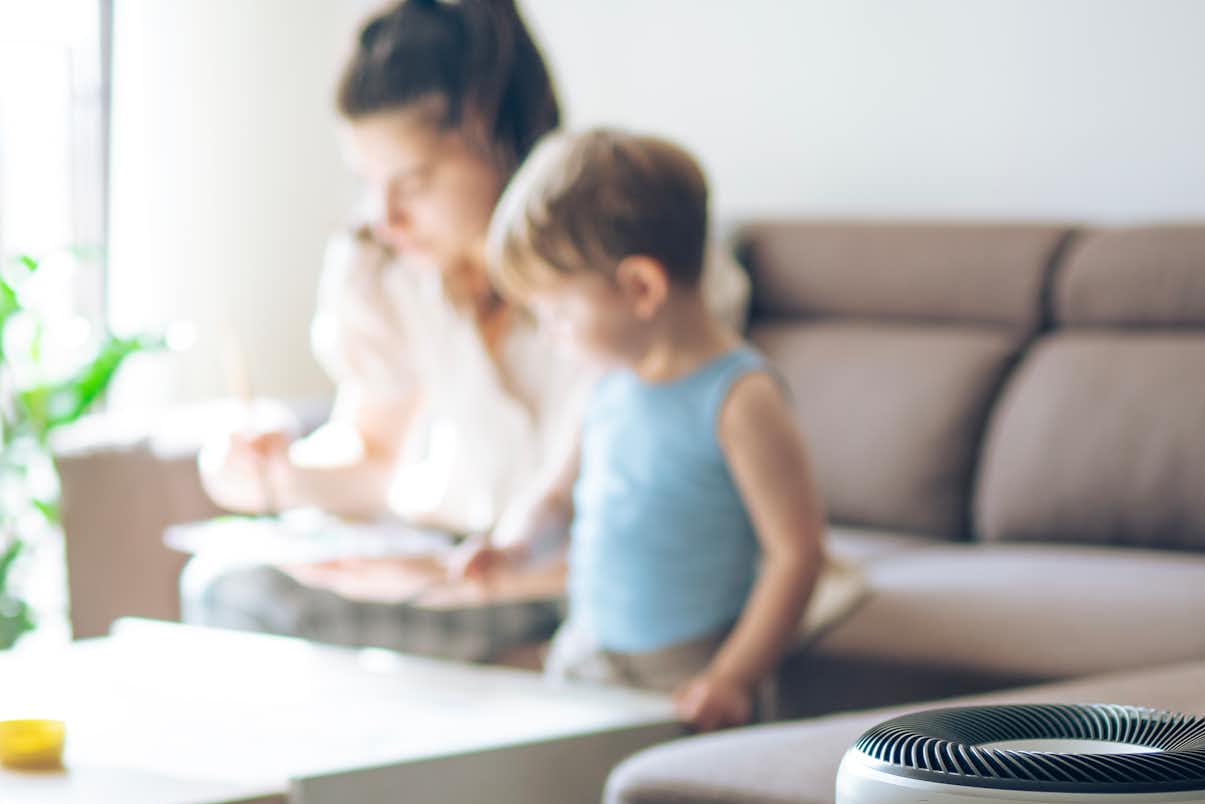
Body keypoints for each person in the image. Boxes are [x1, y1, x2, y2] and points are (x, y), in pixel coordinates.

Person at [186, 0, 746, 663]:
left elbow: (601, 496)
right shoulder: (382, 271)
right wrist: (273, 475)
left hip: (559, 574)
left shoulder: (619, 274)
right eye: (368, 182)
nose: (386, 216)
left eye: (414, 183)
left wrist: (492, 564)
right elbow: (375, 456)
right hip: (442, 554)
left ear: (493, 135)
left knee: (252, 601)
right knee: (226, 582)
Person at [457, 129, 825, 732]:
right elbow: (552, 494)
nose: (548, 333)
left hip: (684, 669)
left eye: (557, 311)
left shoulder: (739, 399)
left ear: (640, 288)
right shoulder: (602, 386)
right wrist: (511, 544)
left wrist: (733, 677)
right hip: (585, 650)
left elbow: (796, 554)